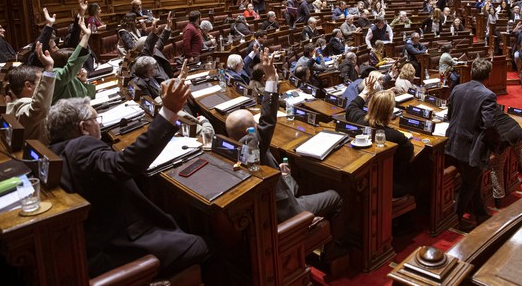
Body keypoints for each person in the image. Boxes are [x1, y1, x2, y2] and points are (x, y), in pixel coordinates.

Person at [47, 78, 209, 278]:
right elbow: (122, 164)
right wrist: (168, 112)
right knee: (202, 245)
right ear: (83, 128)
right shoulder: (81, 146)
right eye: (96, 119)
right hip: (120, 246)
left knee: (180, 219)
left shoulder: (54, 153)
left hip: (96, 242)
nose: (99, 124)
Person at [225, 50, 342, 223]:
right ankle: (328, 245)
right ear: (253, 129)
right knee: (335, 196)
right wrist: (272, 79)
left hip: (275, 203)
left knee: (295, 180)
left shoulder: (231, 150)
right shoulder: (252, 144)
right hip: (288, 211)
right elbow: (267, 120)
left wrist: (284, 176)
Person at [444, 57, 497, 231]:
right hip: (470, 148)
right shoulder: (488, 95)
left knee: (473, 179)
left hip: (451, 143)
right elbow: (489, 125)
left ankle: (480, 212)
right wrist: (494, 146)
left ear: (472, 72)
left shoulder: (457, 88)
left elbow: (450, 115)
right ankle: (455, 219)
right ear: (488, 76)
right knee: (469, 183)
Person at [346, 76, 414, 197]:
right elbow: (409, 152)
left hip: (363, 180)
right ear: (390, 112)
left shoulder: (358, 120)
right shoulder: (395, 136)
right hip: (388, 184)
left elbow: (352, 107)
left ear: (370, 106)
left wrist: (366, 91)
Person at [489, 107, 522, 208]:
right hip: (516, 130)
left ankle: (498, 200)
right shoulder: (488, 101)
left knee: (497, 167)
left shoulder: (474, 109)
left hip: (502, 138)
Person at [4, 42, 55, 142]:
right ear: (28, 85)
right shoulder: (22, 109)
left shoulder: (15, 104)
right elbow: (40, 107)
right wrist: (49, 68)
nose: (42, 85)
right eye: (41, 81)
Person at [52, 18, 95, 104]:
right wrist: (85, 37)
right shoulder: (55, 75)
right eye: (79, 64)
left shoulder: (73, 78)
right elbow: (73, 63)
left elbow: (90, 96)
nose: (81, 66)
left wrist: (84, 81)